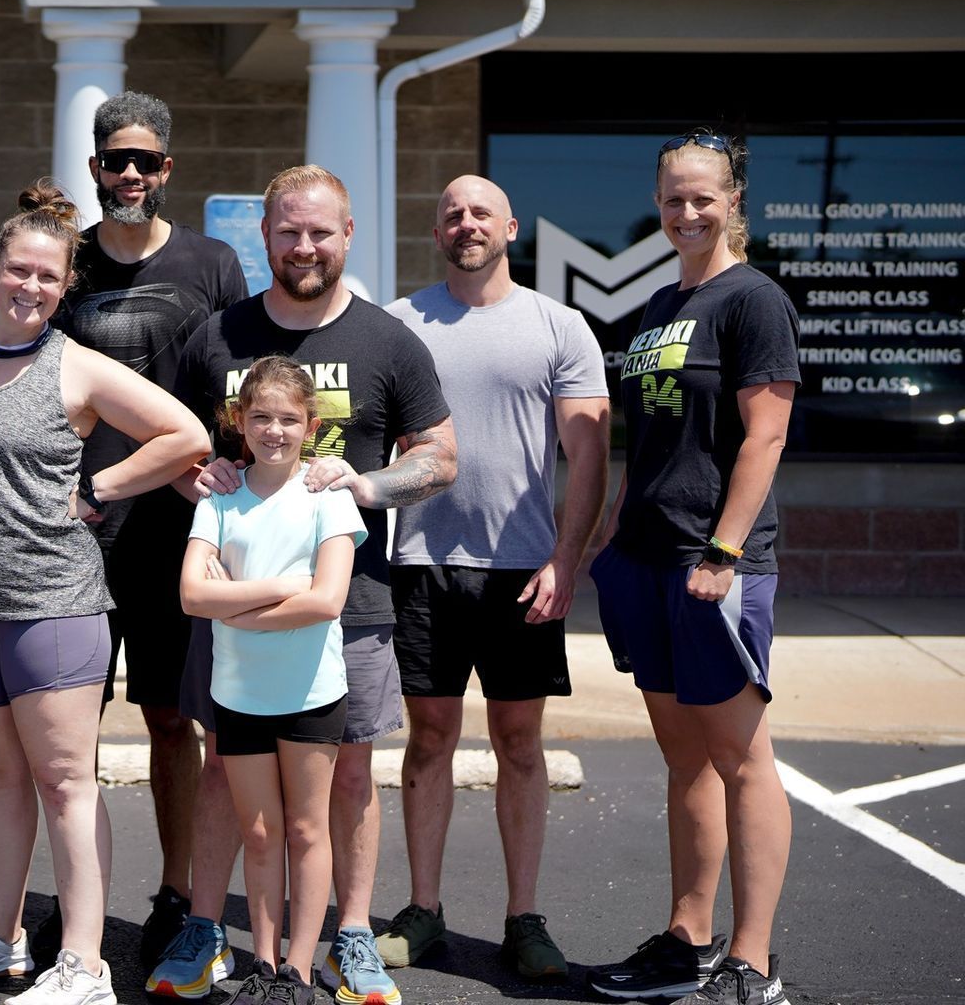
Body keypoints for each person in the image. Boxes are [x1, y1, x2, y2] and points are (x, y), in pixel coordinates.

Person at [0, 181, 210, 1005]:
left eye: (48, 278)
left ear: (65, 288)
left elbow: (187, 434)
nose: (30, 287)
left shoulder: (79, 367)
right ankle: (0, 938)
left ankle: (85, 964)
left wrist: (101, 489)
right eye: (18, 270)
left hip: (54, 608)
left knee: (66, 783)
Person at [181, 165, 455, 1005]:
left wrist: (365, 486)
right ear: (263, 235)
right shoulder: (215, 337)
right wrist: (197, 480)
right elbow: (178, 448)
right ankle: (204, 930)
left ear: (348, 236)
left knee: (347, 776)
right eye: (289, 231)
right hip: (233, 601)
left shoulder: (387, 340)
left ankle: (353, 935)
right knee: (226, 772)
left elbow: (440, 457)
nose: (305, 247)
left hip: (354, 606)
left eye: (321, 232)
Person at [376, 175, 610, 979]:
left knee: (519, 742)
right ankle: (424, 910)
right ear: (436, 231)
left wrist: (565, 561)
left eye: (480, 212)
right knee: (429, 740)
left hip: (522, 571)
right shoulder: (400, 326)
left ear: (510, 226)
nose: (465, 223)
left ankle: (524, 920)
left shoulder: (559, 326)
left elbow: (588, 458)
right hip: (421, 566)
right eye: (451, 214)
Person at [587, 131, 799, 1005]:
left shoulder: (752, 300)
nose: (686, 212)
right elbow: (650, 438)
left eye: (702, 197)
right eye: (673, 197)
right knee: (686, 762)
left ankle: (751, 962)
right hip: (644, 557)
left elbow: (768, 433)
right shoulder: (658, 308)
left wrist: (723, 551)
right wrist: (608, 532)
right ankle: (690, 939)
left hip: (709, 563)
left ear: (735, 199)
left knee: (741, 757)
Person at [55, 91, 250, 979]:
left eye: (146, 161)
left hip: (178, 533)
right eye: (114, 160)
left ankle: (178, 894)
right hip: (74, 530)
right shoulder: (64, 264)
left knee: (173, 719)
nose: (130, 174)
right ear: (94, 168)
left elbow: (235, 393)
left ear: (168, 170)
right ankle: (78, 898)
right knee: (69, 729)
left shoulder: (213, 264)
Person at [180, 357, 366, 1005]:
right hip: (238, 694)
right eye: (261, 416)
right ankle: (262, 966)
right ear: (239, 421)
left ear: (311, 425)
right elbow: (191, 594)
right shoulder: (220, 498)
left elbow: (327, 601)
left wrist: (240, 608)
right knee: (258, 834)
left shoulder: (328, 497)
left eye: (289, 419)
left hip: (311, 691)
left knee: (307, 830)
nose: (275, 430)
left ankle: (299, 970)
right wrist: (280, 588)